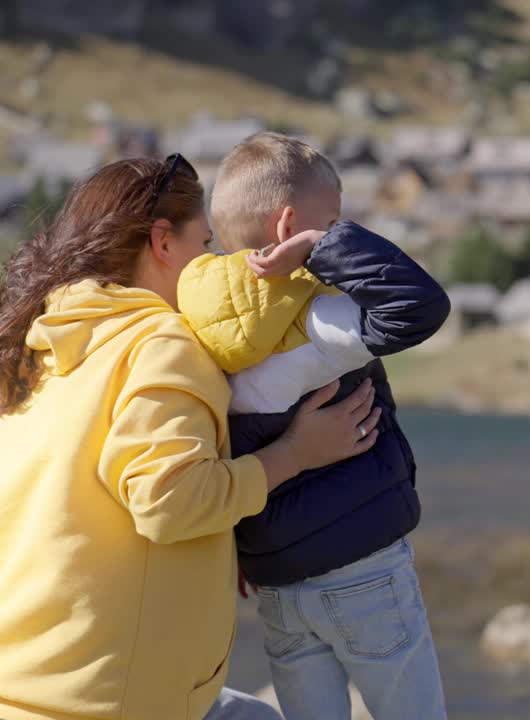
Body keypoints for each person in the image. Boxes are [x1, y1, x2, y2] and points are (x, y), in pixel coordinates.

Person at [0, 155, 379, 720]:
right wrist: (296, 455)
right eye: (205, 244)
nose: (216, 263)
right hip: (81, 702)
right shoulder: (161, 342)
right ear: (163, 243)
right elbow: (169, 501)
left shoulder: (43, 346)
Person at [177, 132, 450, 720]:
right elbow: (419, 306)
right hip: (364, 570)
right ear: (288, 227)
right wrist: (323, 249)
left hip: (277, 583)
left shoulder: (191, 328)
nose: (336, 232)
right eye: (332, 220)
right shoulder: (310, 317)